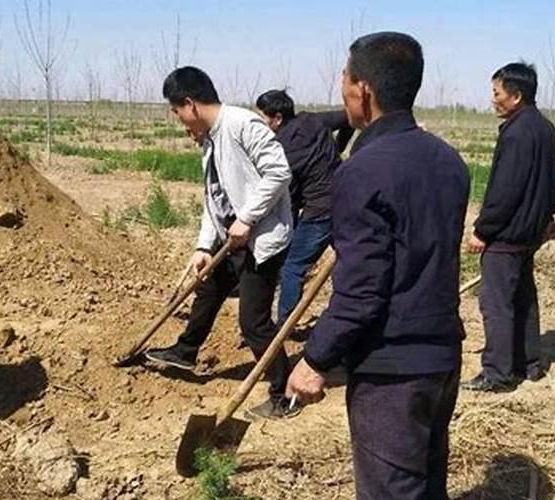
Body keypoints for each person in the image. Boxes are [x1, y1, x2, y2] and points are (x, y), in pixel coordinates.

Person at [285, 32, 470, 499]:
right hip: (442, 359)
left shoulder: (363, 171)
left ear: (362, 89)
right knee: (427, 486)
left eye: (344, 78)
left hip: (392, 373)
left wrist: (316, 358)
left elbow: (362, 292)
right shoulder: (450, 162)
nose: (341, 89)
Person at [144, 66, 300, 419]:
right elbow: (214, 199)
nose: (177, 119)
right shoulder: (211, 139)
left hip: (263, 240)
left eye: (175, 110)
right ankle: (185, 352)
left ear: (190, 104)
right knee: (209, 289)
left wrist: (247, 218)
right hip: (235, 238)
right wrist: (203, 246)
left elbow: (279, 172)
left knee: (254, 323)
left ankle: (284, 392)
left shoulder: (243, 125)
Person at [463, 62, 555, 393]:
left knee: (497, 304)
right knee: (523, 298)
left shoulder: (517, 132)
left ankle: (498, 373)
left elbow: (505, 190)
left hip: (507, 236)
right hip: (529, 233)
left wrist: (483, 229)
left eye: (497, 93)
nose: (493, 99)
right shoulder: (545, 128)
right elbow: (554, 180)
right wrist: (547, 217)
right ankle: (529, 363)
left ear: (516, 96)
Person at [255, 89, 353, 326]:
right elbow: (350, 117)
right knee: (352, 259)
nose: (260, 123)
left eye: (262, 118)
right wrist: (338, 149)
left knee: (292, 268)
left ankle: (284, 326)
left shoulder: (282, 149)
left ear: (277, 118)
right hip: (348, 199)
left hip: (321, 211)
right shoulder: (312, 119)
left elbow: (291, 198)